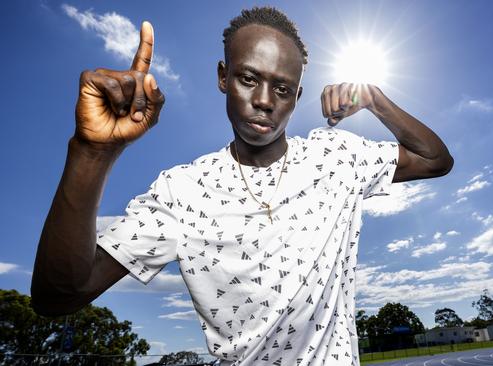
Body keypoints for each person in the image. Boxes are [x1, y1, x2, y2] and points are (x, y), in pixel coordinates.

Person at [31, 6, 453, 366]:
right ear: (222, 76)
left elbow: (436, 159)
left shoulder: (335, 158)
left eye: (283, 89)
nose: (265, 100)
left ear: (296, 95)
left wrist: (376, 100)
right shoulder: (183, 191)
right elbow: (58, 297)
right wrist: (90, 152)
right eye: (248, 79)